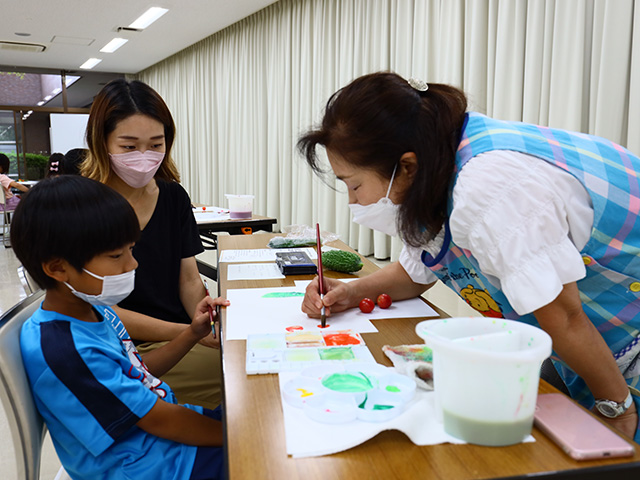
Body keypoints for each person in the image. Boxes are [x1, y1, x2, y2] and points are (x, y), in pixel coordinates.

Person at [298, 72, 640, 441]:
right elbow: (416, 273)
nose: (354, 201)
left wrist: (616, 409)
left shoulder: (490, 187)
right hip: (587, 341)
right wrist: (349, 292)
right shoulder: (436, 167)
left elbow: (566, 317)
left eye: (354, 184)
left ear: (406, 166)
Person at [12, 175, 228, 479]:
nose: (132, 264)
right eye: (116, 256)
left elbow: (137, 372)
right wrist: (240, 437)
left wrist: (191, 332)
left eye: (130, 250)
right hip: (147, 466)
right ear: (58, 268)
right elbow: (161, 422)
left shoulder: (95, 310)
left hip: (160, 443)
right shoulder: (64, 349)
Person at [81, 79, 222, 409]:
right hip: (120, 346)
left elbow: (188, 279)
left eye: (156, 145)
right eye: (129, 147)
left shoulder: (172, 195)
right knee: (242, 378)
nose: (143, 157)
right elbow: (97, 309)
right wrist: (186, 334)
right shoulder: (83, 205)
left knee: (249, 360)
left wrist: (206, 327)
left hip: (179, 334)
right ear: (101, 142)